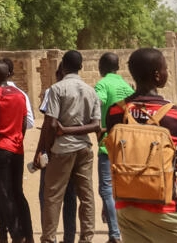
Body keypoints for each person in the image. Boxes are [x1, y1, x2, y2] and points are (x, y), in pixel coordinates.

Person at [105, 48, 177, 242]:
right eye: (165, 68)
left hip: (126, 208)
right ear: (157, 75)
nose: (166, 73)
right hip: (164, 208)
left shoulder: (115, 113)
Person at [35, 50, 100, 243]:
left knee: (53, 195)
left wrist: (46, 148)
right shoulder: (91, 91)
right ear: (81, 67)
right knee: (86, 196)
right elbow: (97, 125)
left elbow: (52, 124)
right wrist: (75, 130)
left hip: (62, 150)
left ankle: (48, 238)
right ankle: (86, 238)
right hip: (84, 149)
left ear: (63, 66)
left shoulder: (57, 89)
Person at [0, 60, 32, 243]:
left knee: (3, 194)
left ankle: (16, 235)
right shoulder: (21, 95)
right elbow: (25, 120)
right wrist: (19, 137)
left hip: (0, 149)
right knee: (17, 193)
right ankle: (28, 235)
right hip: (17, 149)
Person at [94, 52, 133, 243]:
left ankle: (115, 234)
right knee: (122, 188)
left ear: (101, 67)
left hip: (107, 145)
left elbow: (96, 103)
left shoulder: (102, 84)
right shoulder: (126, 86)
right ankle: (125, 230)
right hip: (126, 145)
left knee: (106, 189)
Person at [37, 64, 78, 243]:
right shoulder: (82, 90)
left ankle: (49, 236)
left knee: (47, 194)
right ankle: (69, 237)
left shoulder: (52, 91)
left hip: (55, 149)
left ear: (59, 73)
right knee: (70, 194)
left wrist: (41, 151)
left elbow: (48, 125)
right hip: (76, 149)